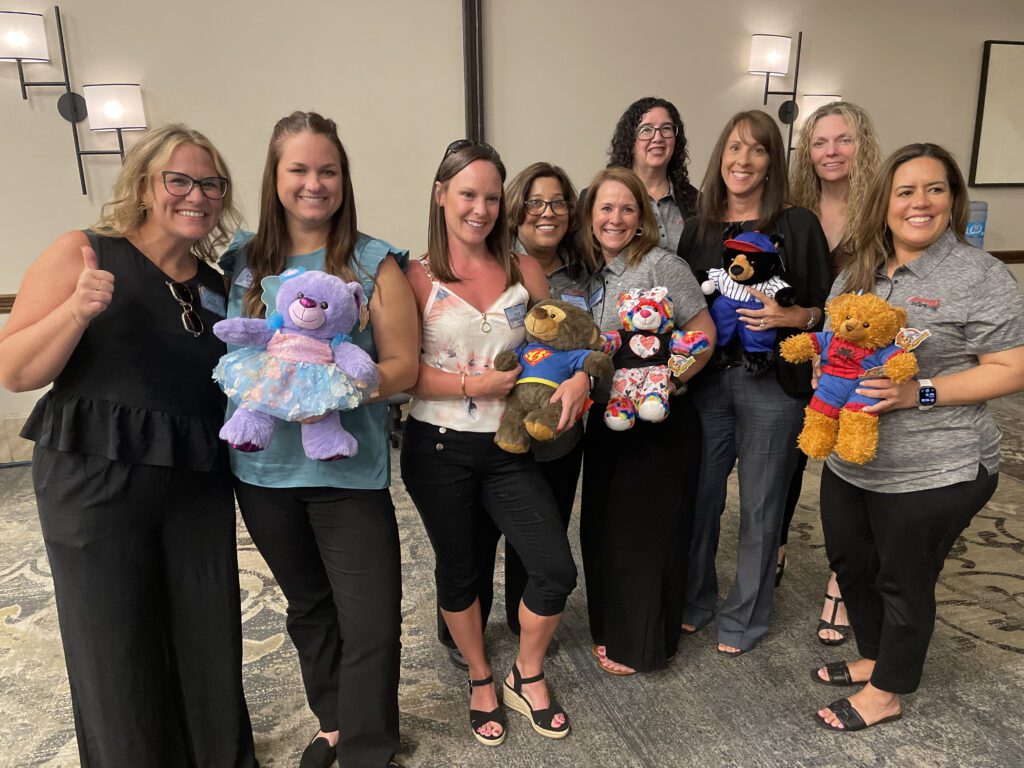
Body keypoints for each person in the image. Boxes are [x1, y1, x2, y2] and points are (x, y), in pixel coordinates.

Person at [0, 125, 257, 766]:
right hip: (94, 474)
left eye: (210, 184)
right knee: (113, 638)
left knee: (206, 628)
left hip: (194, 480)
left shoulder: (218, 284)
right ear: (145, 185)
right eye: (180, 179)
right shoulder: (85, 252)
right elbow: (16, 371)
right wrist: (76, 313)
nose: (196, 195)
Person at [219, 112, 417, 768]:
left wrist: (322, 391)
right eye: (299, 169)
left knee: (370, 620)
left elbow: (402, 367)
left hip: (344, 474)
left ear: (344, 178)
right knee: (308, 608)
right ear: (275, 177)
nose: (314, 183)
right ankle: (334, 720)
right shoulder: (243, 262)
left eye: (327, 170)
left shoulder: (372, 261)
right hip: (262, 476)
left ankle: (367, 749)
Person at [812, 142, 1024, 731]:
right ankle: (875, 658)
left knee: (903, 580)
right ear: (884, 202)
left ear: (953, 199)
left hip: (940, 465)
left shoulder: (978, 274)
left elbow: (1012, 367)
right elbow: (836, 337)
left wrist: (918, 392)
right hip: (853, 460)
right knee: (851, 565)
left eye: (935, 189)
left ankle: (888, 691)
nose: (919, 203)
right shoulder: (860, 268)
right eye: (905, 191)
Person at [401, 140, 585, 745]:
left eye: (489, 196)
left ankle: (525, 671)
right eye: (466, 194)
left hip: (508, 451)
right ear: (441, 195)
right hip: (437, 448)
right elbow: (398, 372)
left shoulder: (523, 268)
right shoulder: (414, 275)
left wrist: (582, 374)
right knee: (461, 571)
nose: (479, 209)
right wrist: (472, 383)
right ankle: (481, 676)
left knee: (555, 568)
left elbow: (572, 339)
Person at [677, 110, 832, 655]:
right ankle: (695, 601)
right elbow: (679, 307)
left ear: (772, 163)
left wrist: (795, 318)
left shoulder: (798, 224)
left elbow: (825, 309)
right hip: (705, 386)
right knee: (698, 500)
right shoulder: (696, 229)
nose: (743, 161)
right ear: (721, 157)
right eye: (735, 149)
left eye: (757, 151)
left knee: (763, 507)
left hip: (771, 384)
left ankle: (746, 616)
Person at [434, 161, 598, 665]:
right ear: (516, 210)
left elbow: (588, 343)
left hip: (560, 429)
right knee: (475, 539)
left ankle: (524, 619)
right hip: (492, 425)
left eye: (558, 203)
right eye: (534, 202)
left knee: (542, 530)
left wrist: (584, 375)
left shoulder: (587, 268)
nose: (547, 213)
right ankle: (463, 631)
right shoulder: (501, 262)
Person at [580, 166, 715, 675]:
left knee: (647, 534)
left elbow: (703, 336)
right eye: (605, 208)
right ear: (590, 215)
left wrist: (668, 384)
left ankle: (642, 642)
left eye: (627, 209)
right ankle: (611, 625)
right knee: (604, 528)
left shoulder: (663, 266)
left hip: (659, 423)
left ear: (642, 218)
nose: (615, 218)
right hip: (606, 420)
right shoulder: (587, 271)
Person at [784, 101, 883, 645]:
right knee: (788, 458)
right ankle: (775, 546)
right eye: (819, 143)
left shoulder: (880, 209)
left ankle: (841, 583)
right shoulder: (794, 207)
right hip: (799, 347)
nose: (830, 152)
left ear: (861, 144)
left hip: (854, 358)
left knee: (851, 465)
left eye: (842, 140)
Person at [606, 96, 699, 252]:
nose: (658, 138)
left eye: (666, 128)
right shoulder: (601, 198)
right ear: (630, 139)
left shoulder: (698, 202)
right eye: (646, 129)